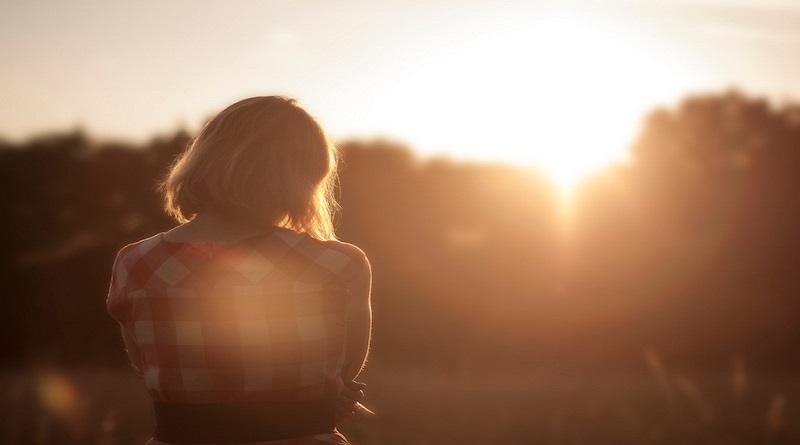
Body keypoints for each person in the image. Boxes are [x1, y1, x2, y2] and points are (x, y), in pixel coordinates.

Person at [107, 96, 372, 445]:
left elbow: (148, 367)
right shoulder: (338, 263)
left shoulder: (136, 263)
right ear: (304, 177)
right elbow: (342, 372)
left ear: (204, 159)